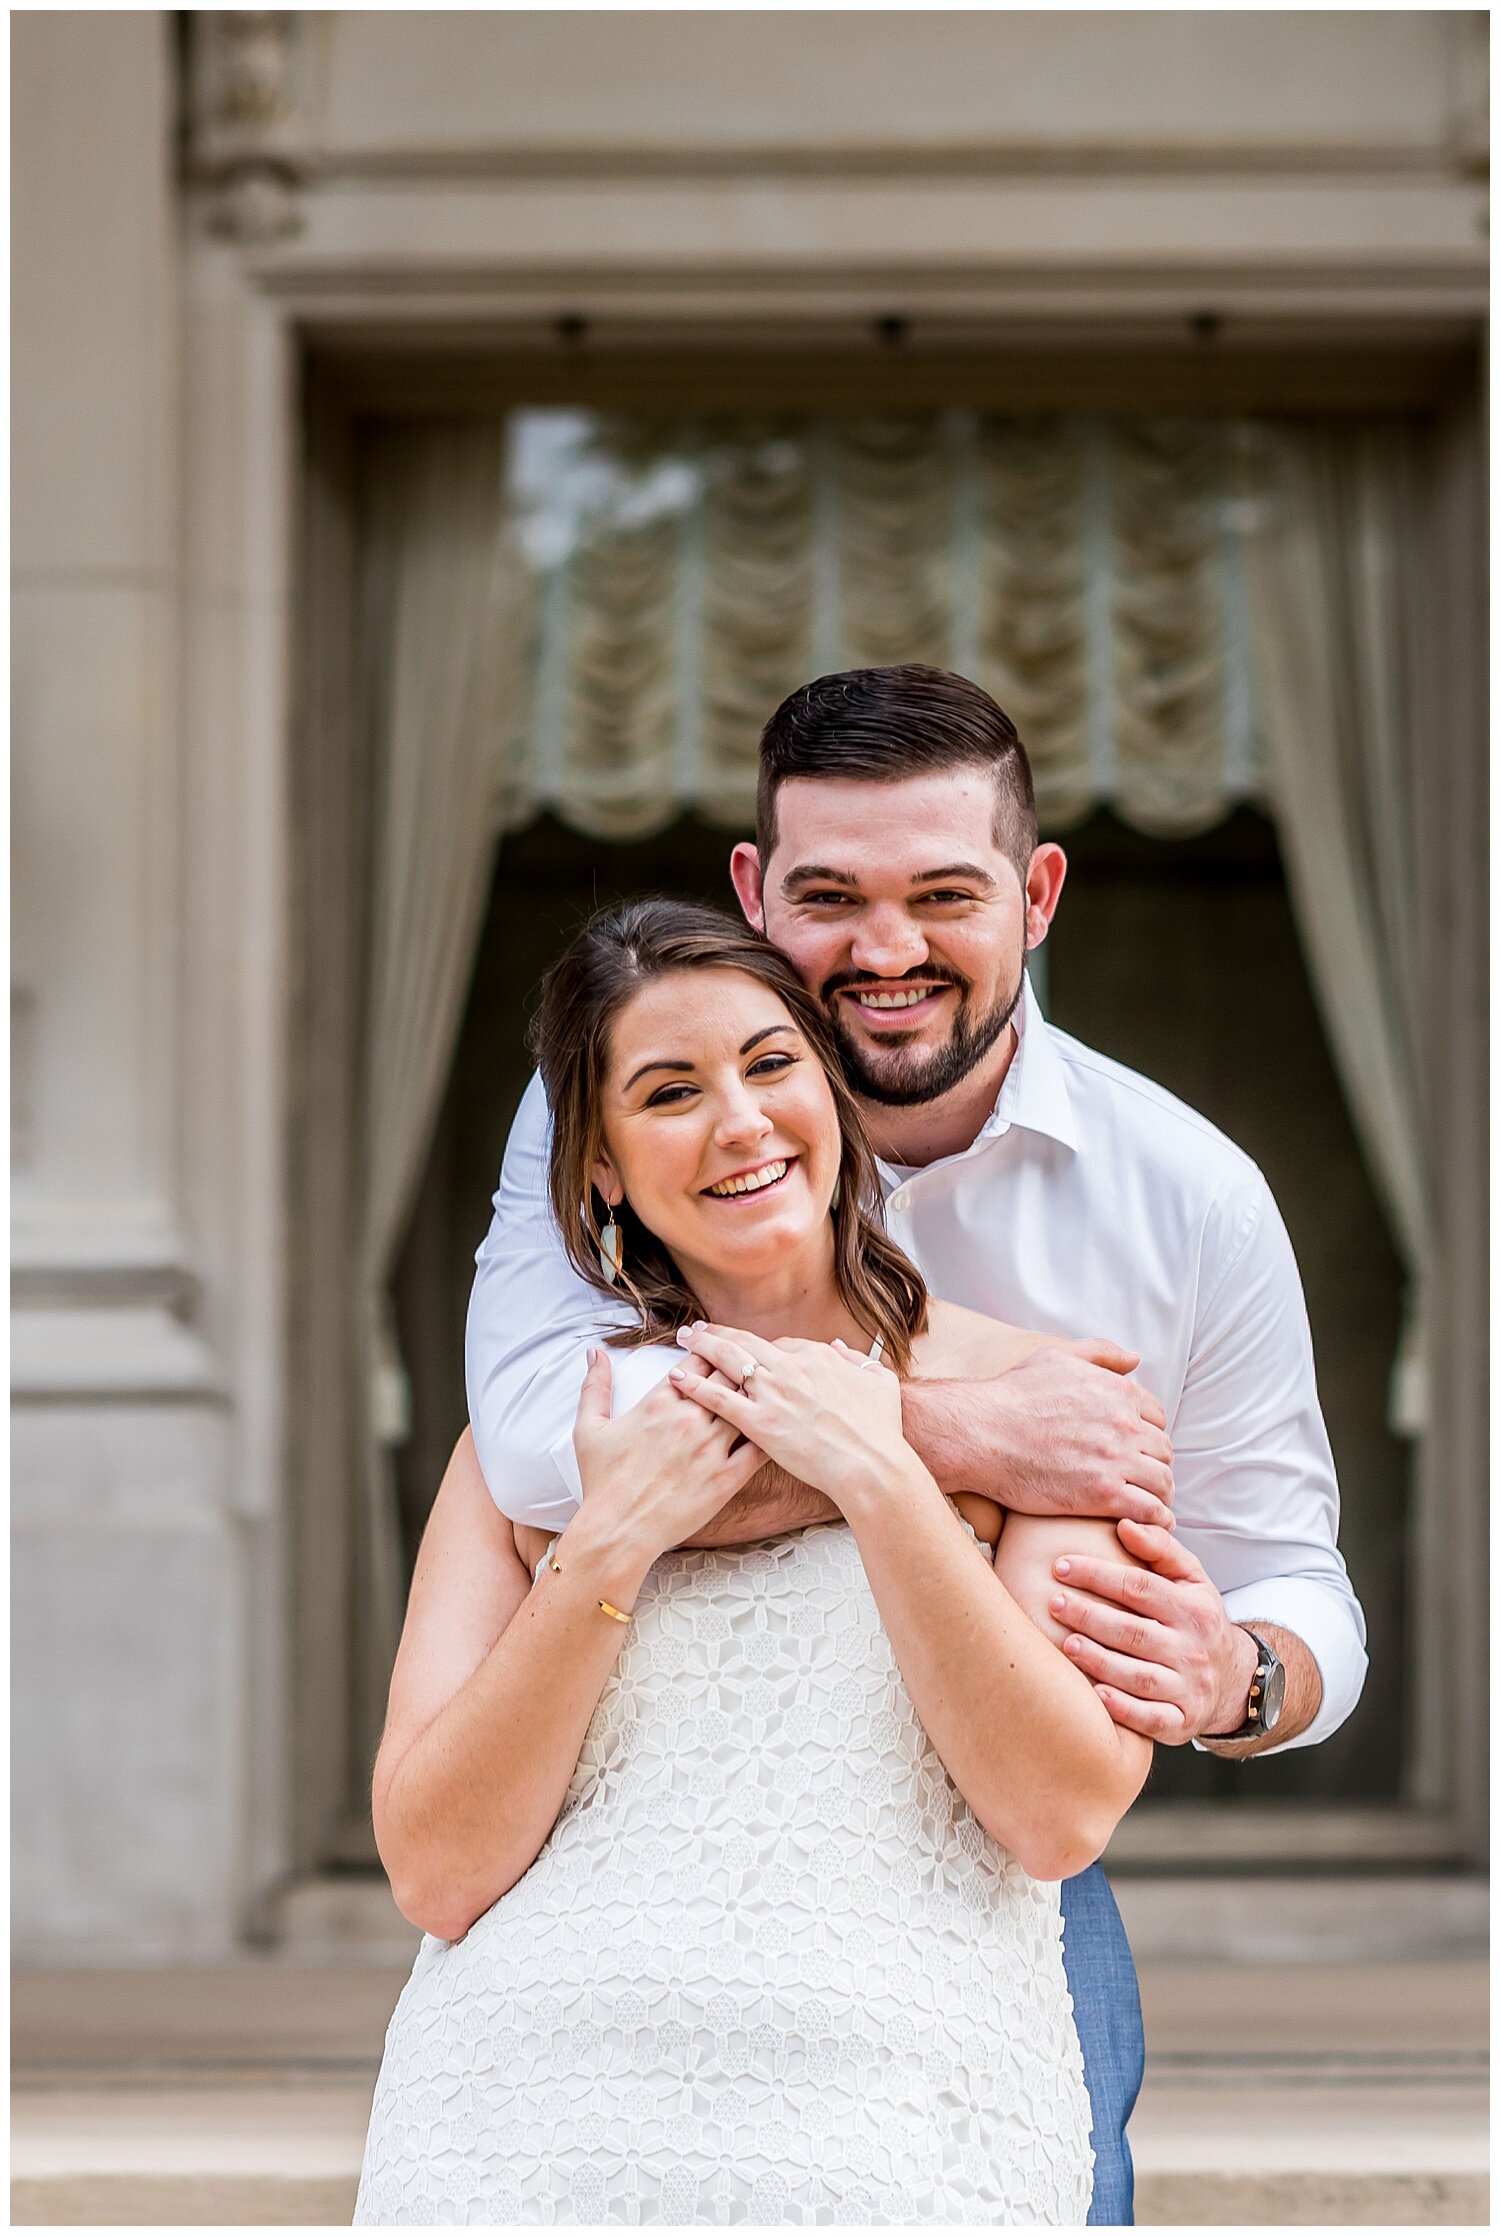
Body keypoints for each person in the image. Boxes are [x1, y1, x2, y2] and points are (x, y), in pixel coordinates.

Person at [464, 665, 1368, 2224]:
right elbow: (545, 1452)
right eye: (828, 898)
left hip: (985, 1837)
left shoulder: (1189, 1196)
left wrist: (1242, 1678)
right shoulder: (613, 1114)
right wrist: (951, 1436)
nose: (884, 953)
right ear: (753, 894)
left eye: (943, 895)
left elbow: (1293, 1571)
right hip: (649, 1831)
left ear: (1038, 895)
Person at [358, 901, 1155, 2225]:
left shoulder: (1047, 1408)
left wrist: (883, 1465)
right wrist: (608, 1545)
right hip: (525, 2129)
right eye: (669, 1092)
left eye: (771, 1064)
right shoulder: (539, 1450)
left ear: (835, 1093)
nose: (738, 1121)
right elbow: (437, 1873)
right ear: (601, 1168)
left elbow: (1056, 1813)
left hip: (899, 2128)